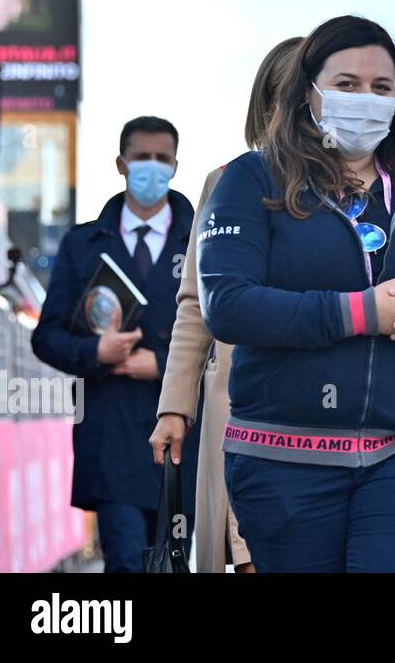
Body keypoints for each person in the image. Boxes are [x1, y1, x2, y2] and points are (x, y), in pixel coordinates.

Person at [196, 16, 395, 572]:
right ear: (307, 92)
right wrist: (361, 313)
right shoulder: (250, 179)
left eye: (381, 88)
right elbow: (228, 305)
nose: (366, 99)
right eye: (346, 84)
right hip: (281, 457)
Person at [149, 36, 302, 573]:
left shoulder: (369, 182)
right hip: (235, 403)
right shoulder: (227, 180)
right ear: (271, 103)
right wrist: (174, 407)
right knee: (245, 551)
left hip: (325, 406)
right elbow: (194, 303)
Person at [32, 116, 199, 572]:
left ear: (176, 165)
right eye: (142, 157)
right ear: (121, 163)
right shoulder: (82, 245)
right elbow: (46, 337)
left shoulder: (205, 242)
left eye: (162, 159)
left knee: (174, 563)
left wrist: (163, 365)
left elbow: (228, 338)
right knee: (125, 561)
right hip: (111, 437)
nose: (152, 167)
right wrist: (95, 354)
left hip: (183, 439)